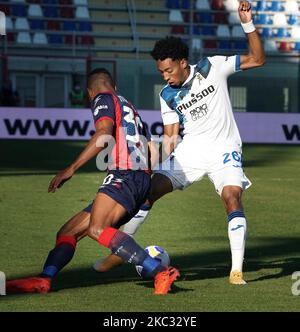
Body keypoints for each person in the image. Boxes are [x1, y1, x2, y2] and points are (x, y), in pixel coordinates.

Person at [93, 1, 266, 285]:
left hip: (225, 148)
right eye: (161, 71)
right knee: (147, 193)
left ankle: (236, 271)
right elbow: (171, 136)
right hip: (191, 151)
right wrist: (148, 162)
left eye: (169, 70)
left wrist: (247, 23)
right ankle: (119, 252)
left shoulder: (214, 66)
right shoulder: (167, 95)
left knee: (232, 199)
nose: (165, 76)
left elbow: (258, 59)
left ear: (183, 63)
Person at [6, 68, 180, 295]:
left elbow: (102, 133)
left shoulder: (102, 99)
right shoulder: (128, 105)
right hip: (136, 177)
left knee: (98, 228)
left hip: (124, 175)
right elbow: (147, 147)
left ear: (90, 92)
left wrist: (71, 168)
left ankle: (158, 272)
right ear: (114, 86)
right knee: (68, 232)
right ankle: (44, 279)